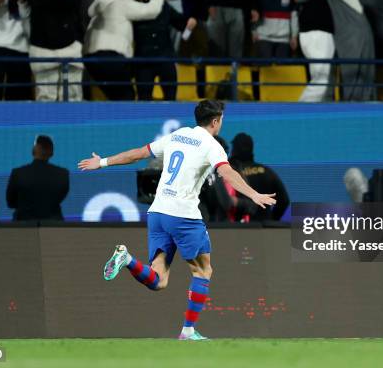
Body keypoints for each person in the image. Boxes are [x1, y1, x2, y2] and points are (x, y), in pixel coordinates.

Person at [77, 100, 276, 340]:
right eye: (221, 119)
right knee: (203, 271)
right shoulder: (212, 146)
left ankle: (126, 258)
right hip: (183, 215)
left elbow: (138, 154)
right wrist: (254, 194)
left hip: (158, 213)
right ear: (215, 121)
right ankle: (188, 332)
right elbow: (227, 173)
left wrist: (103, 162)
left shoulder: (178, 135)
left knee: (158, 280)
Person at [83, 0, 164, 101]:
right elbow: (150, 10)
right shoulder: (120, 2)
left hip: (90, 60)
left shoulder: (98, 8)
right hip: (111, 57)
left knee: (114, 96)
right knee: (127, 96)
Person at [131, 0, 196, 101]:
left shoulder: (162, 5)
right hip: (143, 61)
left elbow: (183, 26)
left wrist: (189, 27)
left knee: (170, 98)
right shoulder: (129, 5)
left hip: (165, 58)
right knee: (143, 100)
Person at [27, 0, 83, 101]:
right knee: (45, 97)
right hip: (43, 48)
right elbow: (40, 2)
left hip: (69, 47)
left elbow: (71, 3)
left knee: (73, 96)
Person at [7, 135, 70, 221]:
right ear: (51, 152)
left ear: (36, 148)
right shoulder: (63, 174)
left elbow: (10, 203)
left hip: (23, 226)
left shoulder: (18, 173)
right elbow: (60, 197)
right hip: (54, 226)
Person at [229, 132, 290, 221]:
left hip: (238, 229)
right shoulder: (266, 171)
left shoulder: (230, 174)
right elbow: (284, 200)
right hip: (264, 228)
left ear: (235, 149)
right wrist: (272, 220)